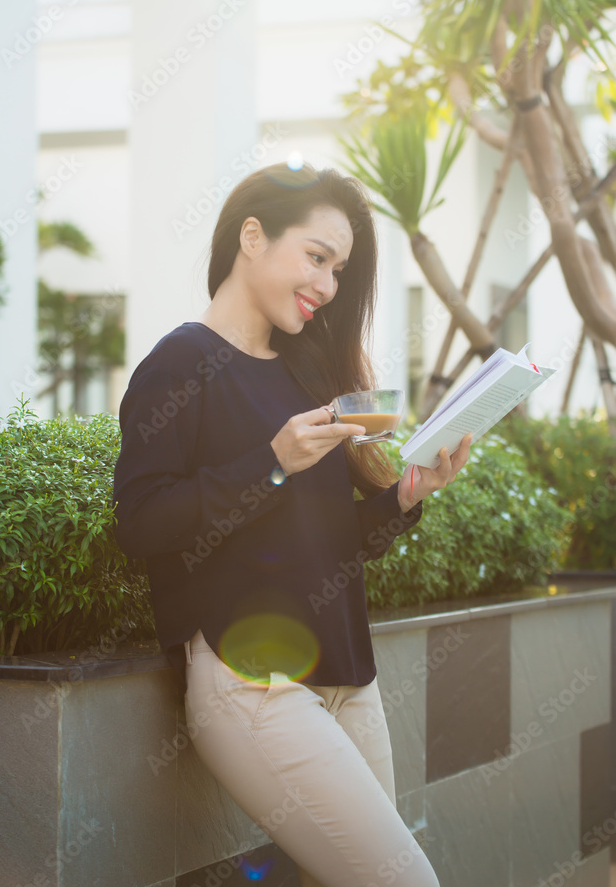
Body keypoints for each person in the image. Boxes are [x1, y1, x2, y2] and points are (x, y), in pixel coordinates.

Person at [112, 161, 471, 887]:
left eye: (338, 269)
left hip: (347, 678)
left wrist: (404, 498)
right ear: (252, 236)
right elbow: (141, 524)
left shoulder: (305, 375)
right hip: (254, 688)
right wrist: (270, 462)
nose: (329, 285)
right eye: (317, 257)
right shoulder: (180, 363)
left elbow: (326, 545)